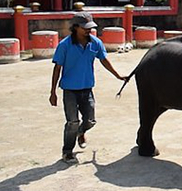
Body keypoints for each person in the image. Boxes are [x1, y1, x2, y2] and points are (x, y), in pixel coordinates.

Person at [49, 12, 127, 163]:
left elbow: (104, 60)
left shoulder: (95, 43)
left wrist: (118, 75)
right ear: (75, 27)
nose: (88, 30)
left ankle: (81, 132)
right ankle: (67, 151)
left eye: (90, 27)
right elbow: (57, 68)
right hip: (70, 90)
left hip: (87, 89)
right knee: (72, 121)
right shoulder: (64, 45)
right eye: (85, 28)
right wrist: (53, 92)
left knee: (90, 120)